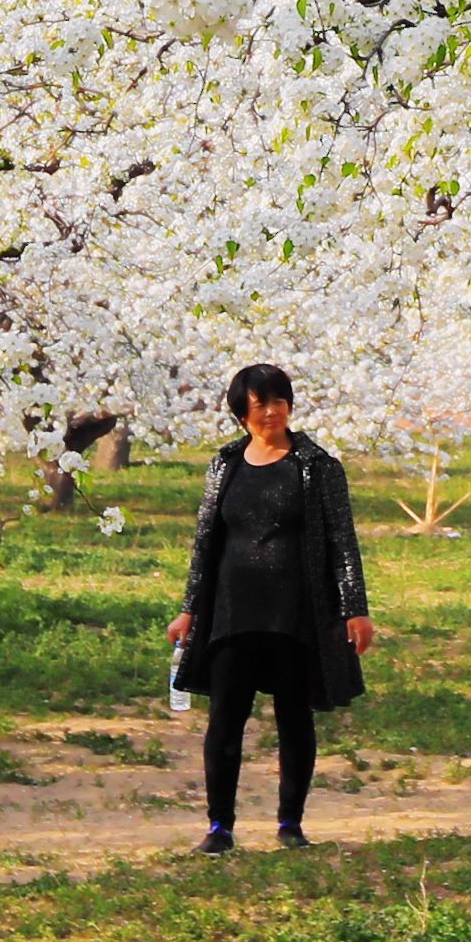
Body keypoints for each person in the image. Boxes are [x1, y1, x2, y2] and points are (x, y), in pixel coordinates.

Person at [165, 363, 372, 852]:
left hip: (296, 613)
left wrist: (354, 609)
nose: (273, 412)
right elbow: (206, 544)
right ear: (242, 414)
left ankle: (290, 825)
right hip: (232, 612)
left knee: (293, 719)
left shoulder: (318, 466)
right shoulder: (225, 465)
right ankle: (220, 827)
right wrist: (189, 608)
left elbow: (343, 542)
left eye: (280, 401)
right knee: (224, 722)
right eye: (261, 404)